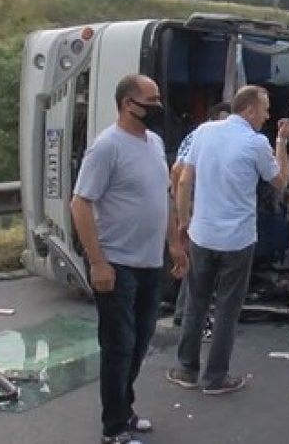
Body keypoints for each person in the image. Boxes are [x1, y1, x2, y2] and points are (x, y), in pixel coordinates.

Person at [71, 74, 187, 444]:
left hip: (150, 263)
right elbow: (80, 203)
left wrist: (174, 243)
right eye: (151, 100)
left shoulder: (154, 143)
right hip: (117, 264)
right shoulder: (107, 147)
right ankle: (114, 426)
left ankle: (125, 408)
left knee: (139, 342)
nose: (158, 107)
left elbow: (164, 197)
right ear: (127, 104)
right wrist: (98, 262)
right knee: (119, 346)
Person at [168, 85, 289, 395]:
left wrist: (184, 222)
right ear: (249, 110)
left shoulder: (205, 131)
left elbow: (183, 178)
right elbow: (280, 181)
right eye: (264, 109)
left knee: (196, 302)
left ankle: (186, 369)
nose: (266, 115)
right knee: (226, 308)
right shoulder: (257, 143)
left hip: (203, 233)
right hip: (237, 239)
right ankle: (215, 377)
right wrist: (282, 142)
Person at [171, 102, 231, 327]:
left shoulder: (206, 138)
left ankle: (184, 312)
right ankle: (189, 315)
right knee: (199, 264)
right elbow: (178, 172)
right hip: (198, 207)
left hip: (200, 206)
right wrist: (184, 207)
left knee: (197, 263)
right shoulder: (200, 137)